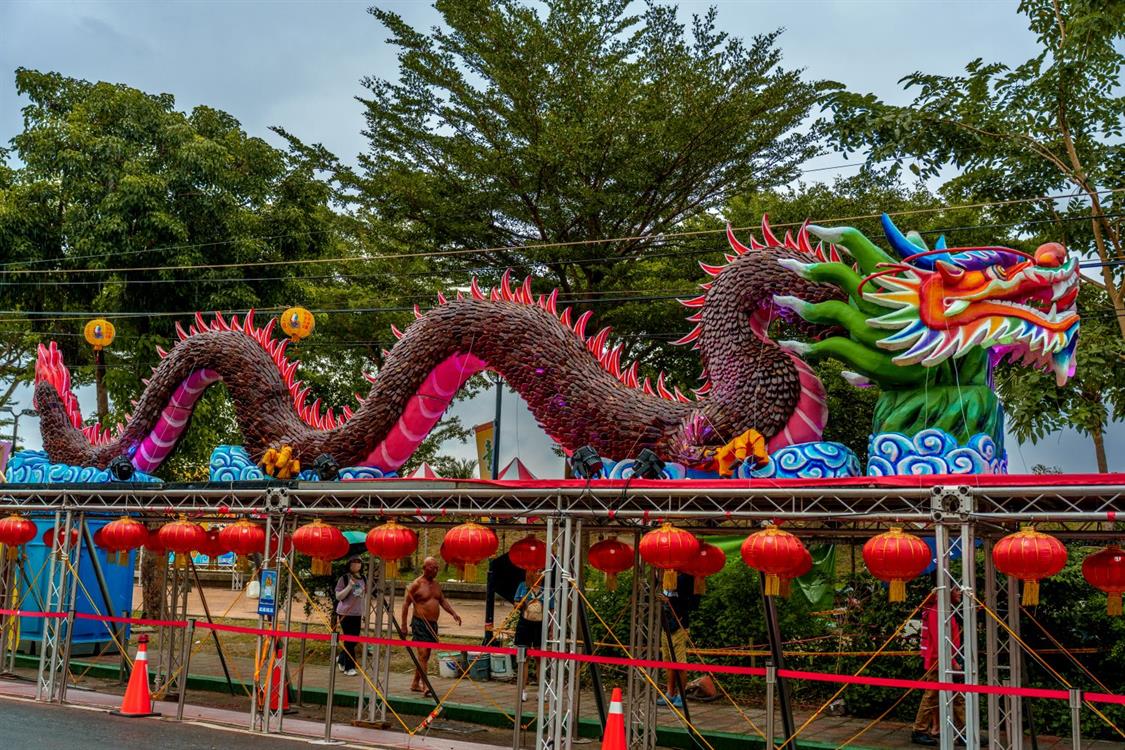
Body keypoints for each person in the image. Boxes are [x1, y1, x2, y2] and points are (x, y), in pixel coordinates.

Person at [912, 586, 966, 746]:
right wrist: (952, 661)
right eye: (956, 589)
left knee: (955, 696)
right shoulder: (937, 611)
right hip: (939, 661)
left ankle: (963, 731)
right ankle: (919, 730)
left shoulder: (943, 610)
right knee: (932, 696)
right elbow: (939, 640)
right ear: (947, 592)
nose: (960, 592)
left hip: (944, 659)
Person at [401, 556, 462, 695]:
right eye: (433, 567)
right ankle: (424, 685)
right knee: (422, 654)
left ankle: (415, 683)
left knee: (426, 655)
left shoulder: (436, 584)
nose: (436, 570)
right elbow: (405, 604)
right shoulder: (416, 584)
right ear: (425, 568)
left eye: (437, 568)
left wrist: (453, 613)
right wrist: (404, 625)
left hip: (432, 624)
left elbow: (442, 600)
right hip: (420, 623)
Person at [658, 572, 700, 709]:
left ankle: (681, 696)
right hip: (666, 626)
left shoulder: (686, 578)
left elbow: (692, 603)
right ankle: (670, 693)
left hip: (679, 626)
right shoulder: (663, 576)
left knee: (680, 663)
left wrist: (668, 601)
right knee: (668, 661)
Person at [512, 570, 545, 701]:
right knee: (524, 658)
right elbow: (515, 604)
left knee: (540, 659)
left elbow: (552, 609)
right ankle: (522, 691)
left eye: (540, 572)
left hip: (540, 625)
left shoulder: (546, 589)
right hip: (525, 624)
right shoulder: (522, 586)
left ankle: (541, 691)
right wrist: (521, 603)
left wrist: (550, 629)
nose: (539, 574)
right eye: (536, 572)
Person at [334, 557, 367, 676]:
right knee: (349, 639)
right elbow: (338, 596)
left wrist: (364, 613)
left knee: (354, 639)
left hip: (357, 613)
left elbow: (362, 596)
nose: (356, 564)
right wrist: (349, 586)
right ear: (349, 564)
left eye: (358, 562)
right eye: (353, 562)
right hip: (345, 613)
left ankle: (342, 658)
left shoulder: (364, 578)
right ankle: (349, 667)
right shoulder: (344, 578)